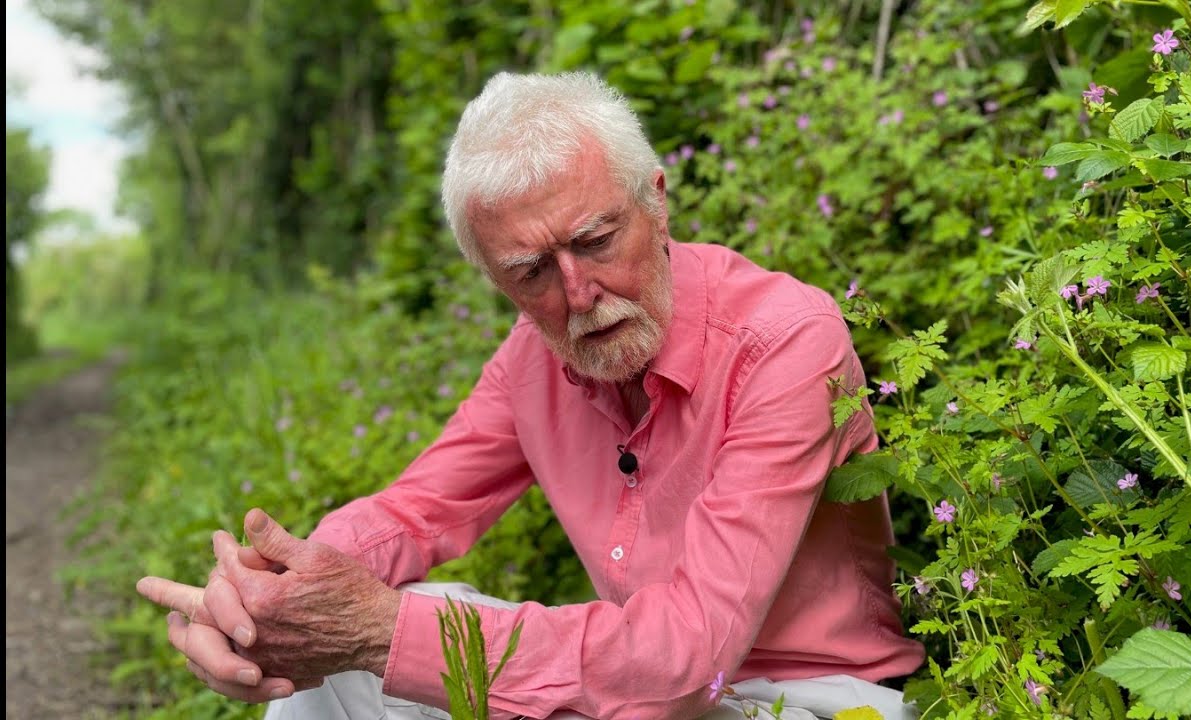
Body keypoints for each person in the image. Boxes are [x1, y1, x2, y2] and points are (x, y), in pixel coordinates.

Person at [136, 70, 925, 720]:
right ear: (494, 280)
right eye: (531, 272)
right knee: (349, 670)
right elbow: (415, 512)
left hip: (804, 702)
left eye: (595, 241)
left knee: (390, 640)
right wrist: (277, 594)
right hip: (630, 696)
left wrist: (381, 632)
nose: (579, 294)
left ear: (656, 202)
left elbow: (692, 650)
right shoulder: (532, 360)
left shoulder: (785, 340)